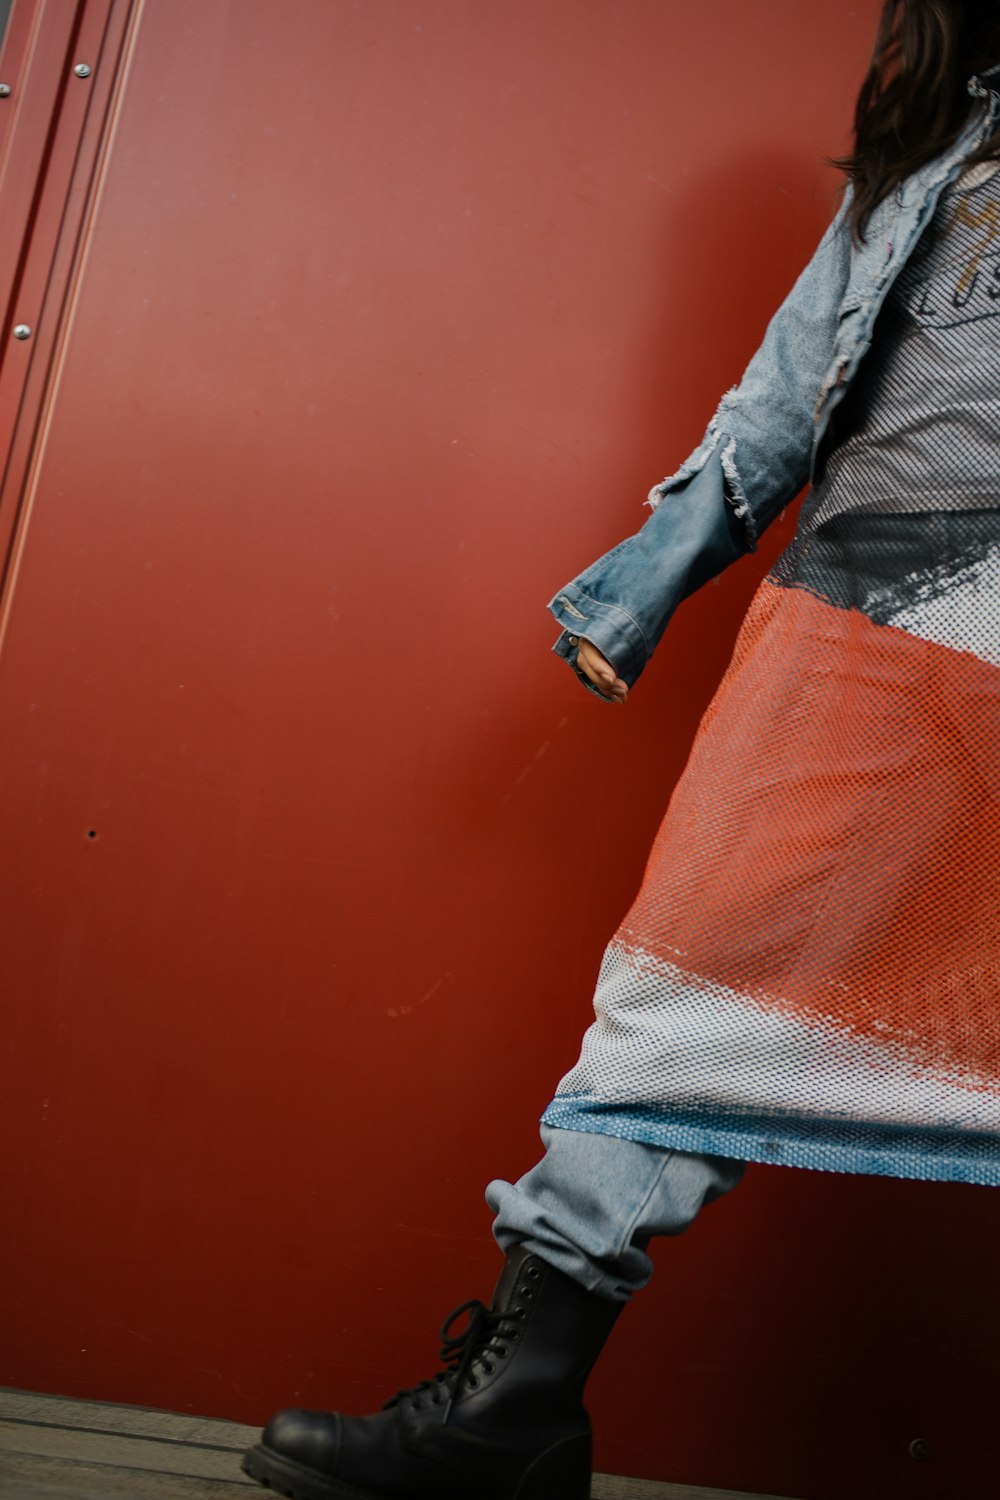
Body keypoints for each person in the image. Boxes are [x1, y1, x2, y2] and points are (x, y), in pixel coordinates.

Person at [244, 3, 1000, 1496]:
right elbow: (790, 390)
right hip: (883, 622)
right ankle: (515, 1416)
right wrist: (652, 573)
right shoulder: (941, 137)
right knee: (685, 998)